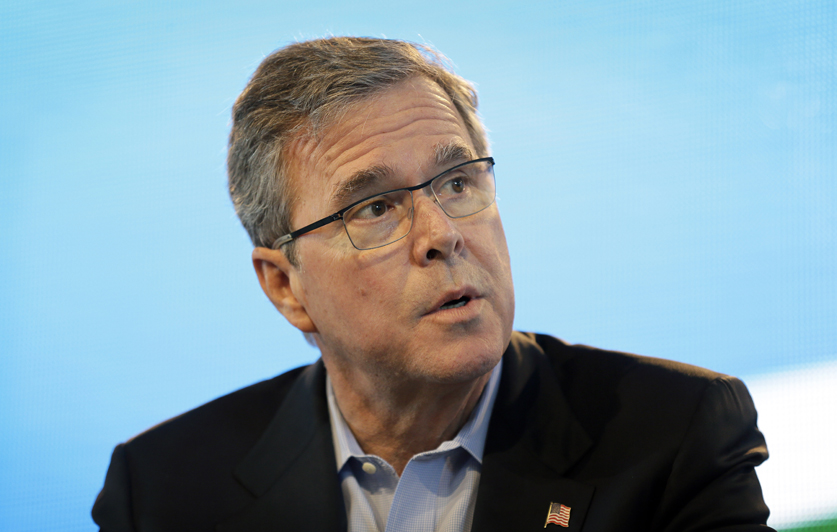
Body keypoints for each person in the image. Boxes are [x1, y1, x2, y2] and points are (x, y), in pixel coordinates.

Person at [92, 37, 774, 532]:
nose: (441, 233)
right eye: (375, 207)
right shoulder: (162, 493)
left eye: (457, 182)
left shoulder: (675, 435)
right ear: (285, 287)